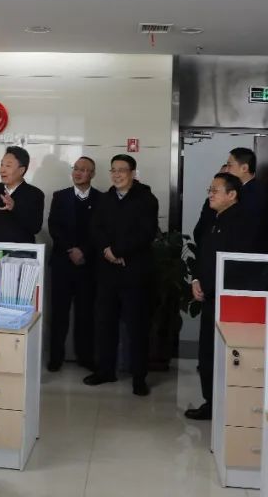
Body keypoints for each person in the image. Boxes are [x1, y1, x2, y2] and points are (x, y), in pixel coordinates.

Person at [84, 155, 159, 397]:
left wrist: (118, 251)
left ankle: (139, 377)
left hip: (135, 273)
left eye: (122, 170)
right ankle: (105, 370)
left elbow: (146, 233)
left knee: (137, 326)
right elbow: (95, 228)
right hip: (107, 273)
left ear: (133, 173)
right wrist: (107, 250)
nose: (116, 175)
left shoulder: (146, 199)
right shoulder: (105, 199)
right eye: (113, 170)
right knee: (104, 323)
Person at [186, 172, 254, 421]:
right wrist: (196, 280)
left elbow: (237, 267)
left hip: (226, 300)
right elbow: (203, 255)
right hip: (209, 296)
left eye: (215, 190)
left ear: (232, 194)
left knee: (220, 354)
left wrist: (211, 288)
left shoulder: (242, 224)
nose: (210, 195)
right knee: (207, 353)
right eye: (210, 190)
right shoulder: (215, 219)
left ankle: (222, 405)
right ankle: (211, 402)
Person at [46, 157, 101, 372]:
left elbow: (100, 230)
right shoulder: (60, 196)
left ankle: (85, 357)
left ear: (92, 174)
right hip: (63, 263)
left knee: (86, 314)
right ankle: (55, 358)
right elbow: (54, 226)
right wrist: (71, 249)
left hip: (88, 264)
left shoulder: (101, 199)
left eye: (84, 170)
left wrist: (83, 251)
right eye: (76, 169)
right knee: (59, 313)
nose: (78, 173)